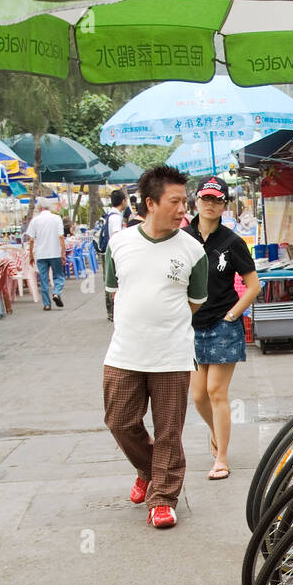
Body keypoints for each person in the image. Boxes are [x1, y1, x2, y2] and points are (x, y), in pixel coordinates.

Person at [102, 165, 208, 530]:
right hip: (124, 352)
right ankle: (148, 470)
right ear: (150, 203)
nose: (184, 209)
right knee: (119, 422)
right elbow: (115, 292)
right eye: (175, 201)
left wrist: (166, 323)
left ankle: (162, 498)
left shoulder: (193, 250)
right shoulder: (119, 243)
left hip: (172, 354)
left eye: (185, 201)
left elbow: (196, 301)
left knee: (168, 431)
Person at [184, 175, 261, 481]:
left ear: (225, 205)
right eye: (206, 199)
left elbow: (253, 286)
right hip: (190, 326)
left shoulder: (232, 242)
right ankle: (217, 433)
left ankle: (221, 458)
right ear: (196, 201)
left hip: (223, 325)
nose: (211, 205)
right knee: (199, 396)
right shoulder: (182, 238)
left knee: (216, 392)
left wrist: (233, 315)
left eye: (217, 200)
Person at [26, 197, 66, 311]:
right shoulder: (57, 218)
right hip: (55, 252)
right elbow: (61, 237)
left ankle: (47, 304)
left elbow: (31, 240)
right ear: (49, 207)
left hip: (41, 254)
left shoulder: (35, 220)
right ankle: (56, 293)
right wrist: (63, 252)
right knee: (59, 276)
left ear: (39, 208)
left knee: (43, 279)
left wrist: (30, 255)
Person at [102, 189, 128, 321]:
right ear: (123, 201)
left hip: (110, 251)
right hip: (114, 253)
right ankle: (112, 312)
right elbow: (116, 235)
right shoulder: (116, 217)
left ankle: (111, 311)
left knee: (110, 283)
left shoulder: (109, 215)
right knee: (112, 283)